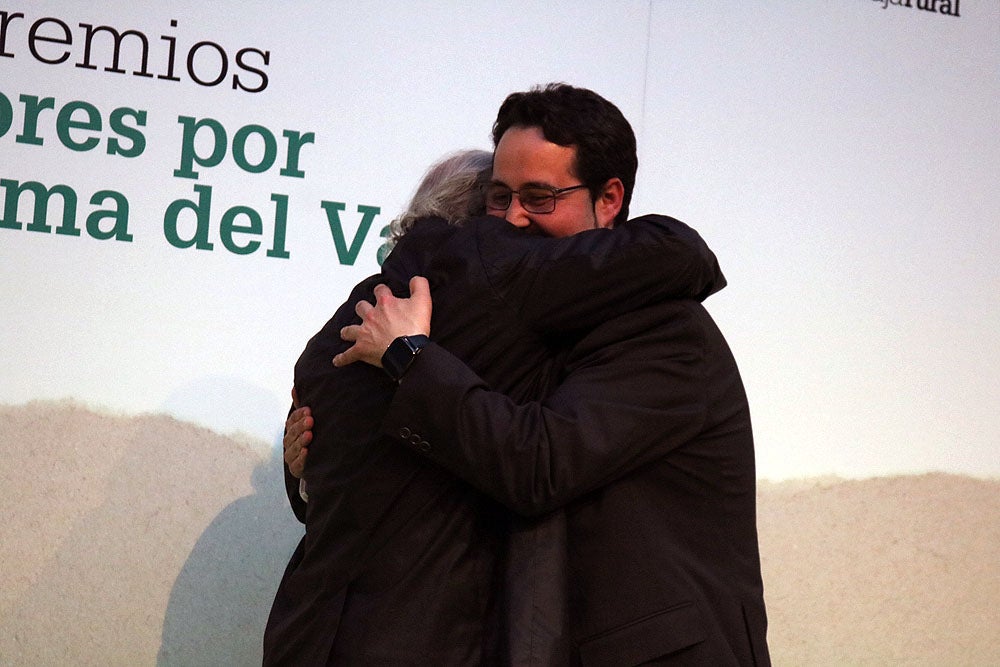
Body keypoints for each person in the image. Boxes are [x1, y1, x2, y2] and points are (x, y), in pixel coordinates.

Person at [266, 146, 725, 665]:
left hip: (305, 632)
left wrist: (302, 469)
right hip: (415, 638)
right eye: (500, 202)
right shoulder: (488, 279)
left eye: (534, 199)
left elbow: (329, 468)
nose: (516, 221)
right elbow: (678, 255)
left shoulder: (328, 341)